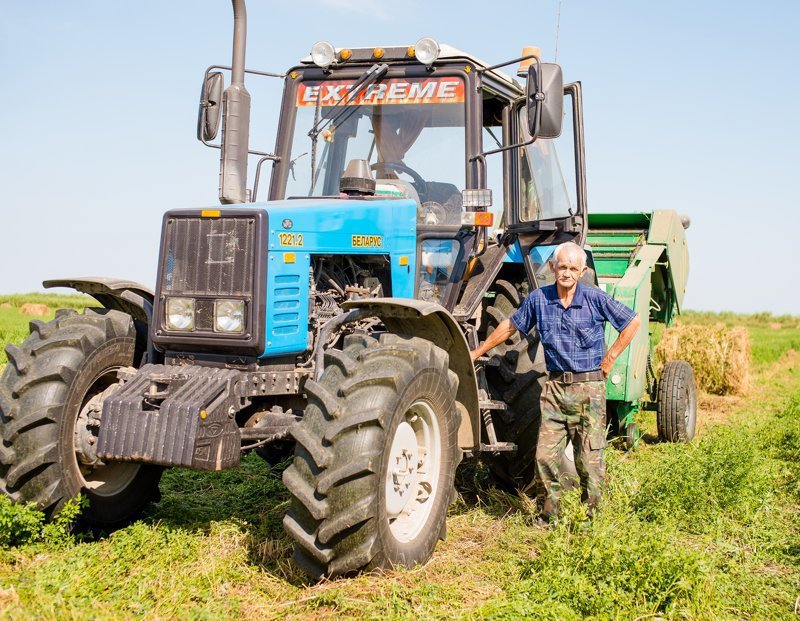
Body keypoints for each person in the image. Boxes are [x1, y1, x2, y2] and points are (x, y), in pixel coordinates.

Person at [470, 241, 641, 522]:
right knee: (545, 457)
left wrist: (610, 357)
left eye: (573, 268)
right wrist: (477, 352)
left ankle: (590, 518)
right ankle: (548, 515)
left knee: (589, 459)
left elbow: (631, 322)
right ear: (552, 267)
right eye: (562, 267)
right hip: (555, 388)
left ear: (582, 271)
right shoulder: (539, 299)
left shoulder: (594, 298)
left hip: (588, 389)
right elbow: (510, 326)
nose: (567, 273)